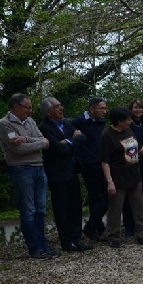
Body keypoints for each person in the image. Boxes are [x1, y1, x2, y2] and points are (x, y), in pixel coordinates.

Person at [0, 93, 57, 260]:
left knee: (40, 209)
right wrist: (37, 143)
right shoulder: (4, 124)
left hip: (39, 167)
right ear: (16, 107)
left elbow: (45, 142)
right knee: (29, 210)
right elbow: (18, 150)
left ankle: (43, 245)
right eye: (28, 107)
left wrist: (26, 139)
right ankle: (35, 248)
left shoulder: (30, 122)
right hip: (21, 169)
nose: (30, 111)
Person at [100, 107, 143, 248]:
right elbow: (104, 161)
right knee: (115, 208)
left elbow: (139, 148)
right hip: (118, 178)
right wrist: (109, 182)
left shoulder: (128, 131)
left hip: (134, 176)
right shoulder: (107, 134)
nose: (130, 122)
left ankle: (141, 234)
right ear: (119, 121)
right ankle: (113, 236)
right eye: (127, 120)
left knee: (138, 208)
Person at [38, 97, 92, 253]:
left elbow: (83, 138)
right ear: (49, 111)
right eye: (57, 106)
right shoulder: (44, 127)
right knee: (62, 208)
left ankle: (76, 239)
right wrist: (72, 140)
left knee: (75, 206)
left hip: (72, 171)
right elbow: (57, 149)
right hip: (57, 174)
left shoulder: (66, 123)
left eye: (61, 105)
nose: (61, 108)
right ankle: (67, 242)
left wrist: (67, 142)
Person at [71, 97, 109, 242]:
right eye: (102, 108)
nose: (104, 111)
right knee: (100, 195)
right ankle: (91, 227)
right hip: (88, 164)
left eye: (105, 108)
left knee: (101, 197)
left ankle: (95, 228)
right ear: (92, 109)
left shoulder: (101, 122)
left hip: (100, 162)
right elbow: (65, 130)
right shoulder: (79, 122)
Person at [124, 99, 143, 237]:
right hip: (131, 161)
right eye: (135, 107)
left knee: (139, 194)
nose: (138, 110)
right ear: (131, 108)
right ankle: (128, 225)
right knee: (129, 193)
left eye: (140, 108)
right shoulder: (127, 122)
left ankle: (139, 225)